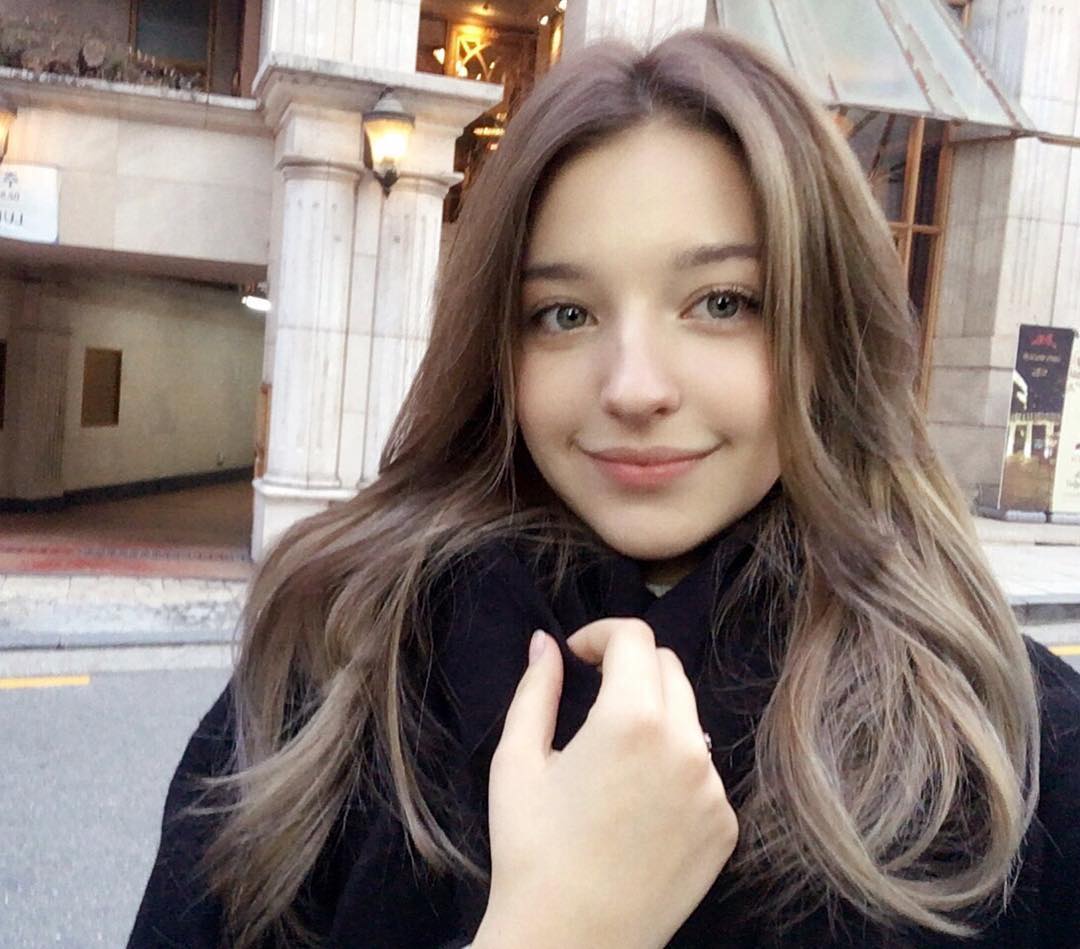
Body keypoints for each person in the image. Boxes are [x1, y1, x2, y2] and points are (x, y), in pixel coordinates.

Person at [128, 28, 1080, 949]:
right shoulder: (335, 661)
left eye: (722, 303)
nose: (633, 388)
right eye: (565, 313)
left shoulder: (1010, 741)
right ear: (498, 348)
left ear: (826, 331)